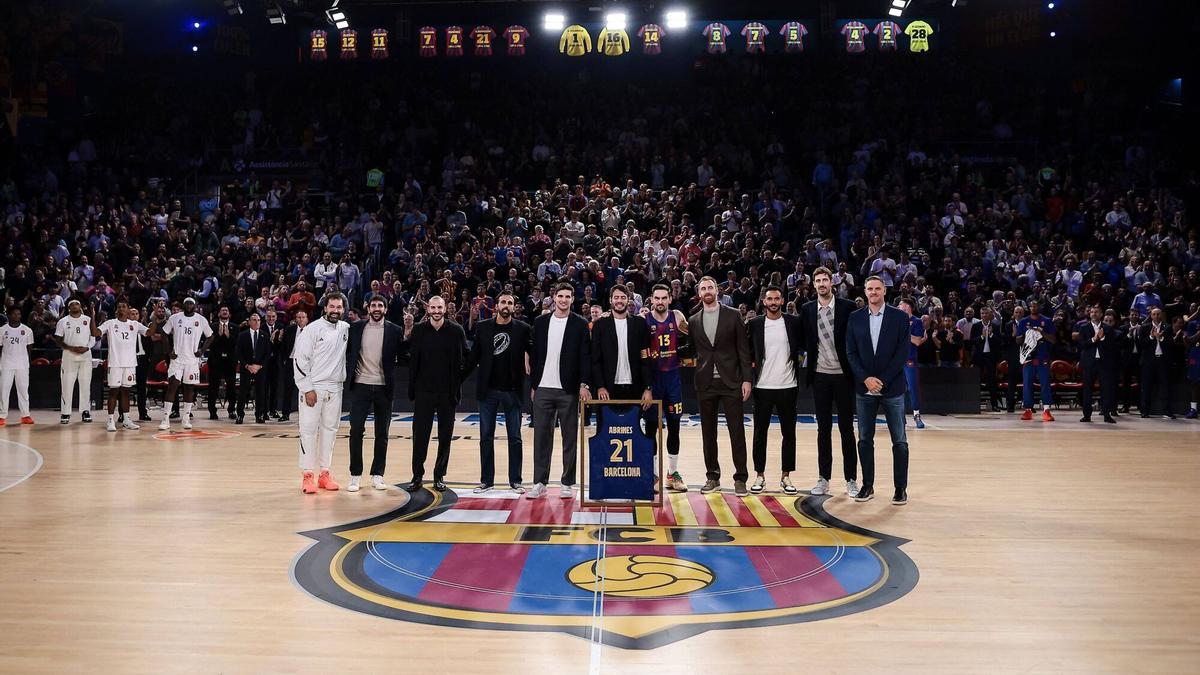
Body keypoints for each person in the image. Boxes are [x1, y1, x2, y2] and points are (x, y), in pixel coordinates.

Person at [845, 276, 911, 505]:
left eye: (877, 288)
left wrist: (880, 380)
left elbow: (902, 354)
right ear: (865, 291)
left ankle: (900, 488)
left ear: (884, 291)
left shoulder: (900, 317)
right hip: (864, 389)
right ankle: (867, 485)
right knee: (864, 439)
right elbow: (850, 353)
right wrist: (866, 379)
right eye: (869, 289)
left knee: (899, 441)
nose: (873, 292)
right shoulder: (855, 318)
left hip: (892, 388)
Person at [688, 275, 752, 496]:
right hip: (705, 383)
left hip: (731, 381)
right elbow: (690, 349)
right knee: (708, 433)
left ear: (717, 290)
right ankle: (712, 476)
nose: (707, 290)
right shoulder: (693, 320)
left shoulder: (733, 315)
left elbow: (744, 350)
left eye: (710, 287)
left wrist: (746, 379)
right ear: (699, 293)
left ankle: (741, 478)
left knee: (737, 432)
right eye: (703, 288)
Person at [798, 267, 859, 498]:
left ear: (832, 282)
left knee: (846, 430)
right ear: (813, 285)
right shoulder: (807, 309)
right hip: (820, 376)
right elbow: (804, 340)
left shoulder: (848, 307)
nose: (822, 284)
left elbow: (854, 338)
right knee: (823, 430)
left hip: (844, 376)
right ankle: (824, 478)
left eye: (825, 280)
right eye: (818, 280)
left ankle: (851, 480)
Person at [463, 290, 532, 493]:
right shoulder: (483, 328)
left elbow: (535, 355)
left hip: (513, 391)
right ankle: (486, 481)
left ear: (514, 307)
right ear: (497, 305)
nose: (506, 305)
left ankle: (516, 481)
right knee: (486, 437)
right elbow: (473, 357)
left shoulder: (523, 328)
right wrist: (456, 379)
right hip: (488, 391)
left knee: (515, 438)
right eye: (503, 302)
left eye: (510, 302)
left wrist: (536, 383)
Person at [529, 282, 592, 499]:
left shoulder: (580, 324)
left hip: (568, 389)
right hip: (543, 387)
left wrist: (584, 384)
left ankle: (567, 483)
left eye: (568, 296)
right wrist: (533, 385)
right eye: (560, 296)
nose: (563, 300)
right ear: (553, 297)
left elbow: (585, 357)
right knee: (541, 438)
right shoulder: (540, 322)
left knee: (569, 438)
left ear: (573, 299)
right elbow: (534, 354)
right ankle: (539, 482)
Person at [405, 295, 468, 492]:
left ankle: (439, 476)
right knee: (420, 436)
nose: (436, 311)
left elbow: (467, 357)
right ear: (428, 309)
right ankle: (417, 476)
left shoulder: (456, 330)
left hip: (447, 393)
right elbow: (407, 354)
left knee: (445, 437)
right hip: (424, 392)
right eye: (433, 307)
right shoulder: (419, 330)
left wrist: (458, 380)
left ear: (446, 309)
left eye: (439, 307)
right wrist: (406, 332)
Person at [747, 285, 803, 495]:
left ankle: (785, 476)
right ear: (764, 302)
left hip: (788, 386)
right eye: (769, 299)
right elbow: (746, 353)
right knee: (759, 434)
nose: (773, 302)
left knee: (789, 434)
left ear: (782, 301)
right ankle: (759, 475)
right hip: (762, 387)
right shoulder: (754, 324)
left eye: (776, 299)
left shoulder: (793, 322)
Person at [344, 296, 404, 492]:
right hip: (360, 386)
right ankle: (355, 475)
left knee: (382, 433)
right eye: (373, 305)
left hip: (383, 387)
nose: (376, 309)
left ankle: (377, 474)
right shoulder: (355, 328)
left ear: (385, 309)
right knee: (355, 431)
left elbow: (403, 355)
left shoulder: (395, 330)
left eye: (380, 306)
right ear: (368, 308)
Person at [293, 292, 350, 494]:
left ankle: (325, 473)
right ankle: (307, 475)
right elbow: (300, 361)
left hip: (335, 387)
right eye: (332, 307)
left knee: (330, 430)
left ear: (343, 309)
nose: (335, 311)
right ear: (325, 308)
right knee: (308, 430)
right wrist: (306, 388)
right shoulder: (312, 329)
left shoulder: (345, 328)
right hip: (313, 387)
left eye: (339, 307)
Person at [645, 284, 690, 492]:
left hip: (673, 379)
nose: (660, 302)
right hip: (653, 381)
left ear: (670, 299)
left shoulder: (677, 316)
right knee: (652, 428)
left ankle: (672, 474)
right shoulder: (643, 319)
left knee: (674, 427)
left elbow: (693, 338)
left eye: (664, 298)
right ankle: (653, 475)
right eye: (657, 298)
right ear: (651, 299)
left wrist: (682, 353)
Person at [590, 283, 654, 431]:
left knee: (633, 431)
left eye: (623, 297)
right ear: (611, 300)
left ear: (628, 300)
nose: (619, 301)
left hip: (634, 388)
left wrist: (648, 388)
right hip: (607, 389)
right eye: (616, 297)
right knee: (605, 431)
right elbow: (595, 359)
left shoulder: (639, 323)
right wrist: (600, 387)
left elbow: (645, 358)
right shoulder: (600, 325)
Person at [154, 297, 214, 431]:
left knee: (189, 389)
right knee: (172, 387)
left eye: (191, 303)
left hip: (192, 361)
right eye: (187, 303)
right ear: (183, 304)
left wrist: (202, 350)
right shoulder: (175, 318)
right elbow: (164, 333)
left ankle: (186, 418)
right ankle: (165, 419)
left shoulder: (201, 319)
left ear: (195, 305)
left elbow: (210, 336)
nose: (189, 305)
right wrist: (169, 351)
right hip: (177, 360)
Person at [95, 302, 148, 432]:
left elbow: (149, 332)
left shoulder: (134, 324)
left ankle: (126, 419)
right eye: (119, 307)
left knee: (126, 392)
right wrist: (92, 315)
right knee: (114, 392)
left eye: (124, 307)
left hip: (130, 364)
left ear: (128, 310)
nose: (121, 309)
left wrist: (152, 319)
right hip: (115, 363)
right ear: (116, 310)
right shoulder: (110, 323)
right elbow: (96, 332)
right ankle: (110, 420)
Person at [53, 299, 96, 424]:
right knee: (67, 385)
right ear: (68, 308)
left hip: (85, 356)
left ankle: (85, 411)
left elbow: (93, 338)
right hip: (69, 357)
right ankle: (65, 413)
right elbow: (58, 340)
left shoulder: (88, 320)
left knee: (85, 385)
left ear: (81, 306)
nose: (74, 306)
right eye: (71, 304)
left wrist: (87, 347)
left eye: (77, 303)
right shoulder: (63, 321)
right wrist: (71, 348)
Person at [1074, 306, 1118, 423]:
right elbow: (1082, 345)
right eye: (1092, 312)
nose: (1094, 314)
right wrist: (1093, 339)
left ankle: (1106, 415)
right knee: (1087, 390)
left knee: (1106, 389)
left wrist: (1103, 338)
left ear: (1101, 313)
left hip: (1104, 363)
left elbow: (1112, 347)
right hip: (1089, 363)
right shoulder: (1083, 328)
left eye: (1096, 312)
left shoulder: (1108, 328)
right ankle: (1087, 415)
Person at [1018, 300, 1056, 422]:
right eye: (1031, 306)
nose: (1033, 307)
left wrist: (1041, 332)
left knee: (1045, 384)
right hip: (1028, 356)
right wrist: (1027, 334)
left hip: (1043, 356)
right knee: (1027, 384)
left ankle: (1046, 410)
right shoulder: (1023, 321)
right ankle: (1028, 410)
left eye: (1035, 305)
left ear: (1039, 306)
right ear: (1029, 308)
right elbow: (1018, 341)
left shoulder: (1047, 320)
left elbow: (1053, 340)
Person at [0, 307, 35, 427]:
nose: (17, 316)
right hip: (6, 363)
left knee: (23, 390)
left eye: (19, 314)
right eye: (14, 314)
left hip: (22, 364)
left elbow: (29, 348)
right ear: (9, 315)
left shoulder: (27, 330)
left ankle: (25, 415)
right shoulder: (2, 330)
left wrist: (28, 362)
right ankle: (2, 416)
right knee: (4, 390)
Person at [235, 313, 272, 424]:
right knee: (243, 392)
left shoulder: (264, 335)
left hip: (260, 368)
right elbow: (238, 352)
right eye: (254, 320)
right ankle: (240, 415)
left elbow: (268, 353)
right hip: (247, 367)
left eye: (259, 320)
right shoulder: (243, 335)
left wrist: (259, 366)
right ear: (249, 322)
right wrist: (247, 365)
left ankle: (259, 415)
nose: (257, 322)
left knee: (261, 392)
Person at [1138, 307, 1175, 419]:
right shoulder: (1145, 327)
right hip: (1149, 361)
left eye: (1159, 314)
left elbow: (1170, 344)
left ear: (1162, 315)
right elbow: (1141, 344)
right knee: (1146, 386)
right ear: (1151, 315)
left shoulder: (1167, 327)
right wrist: (1151, 337)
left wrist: (1161, 338)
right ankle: (1145, 411)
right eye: (1154, 314)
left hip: (1162, 361)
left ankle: (1167, 411)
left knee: (1165, 386)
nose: (1157, 316)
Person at [897, 299, 927, 428]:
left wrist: (904, 333)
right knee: (898, 390)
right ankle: (900, 417)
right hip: (896, 361)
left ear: (907, 307)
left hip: (910, 360)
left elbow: (917, 341)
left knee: (913, 388)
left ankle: (917, 415)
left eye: (900, 304)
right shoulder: (895, 320)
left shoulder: (917, 321)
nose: (898, 306)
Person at [207, 305, 238, 420]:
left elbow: (236, 343)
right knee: (213, 386)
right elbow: (209, 343)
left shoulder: (235, 327)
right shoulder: (213, 326)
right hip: (215, 360)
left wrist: (228, 335)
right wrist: (219, 336)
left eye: (227, 310)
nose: (225, 312)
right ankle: (212, 411)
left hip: (230, 360)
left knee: (231, 386)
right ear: (219, 313)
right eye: (222, 310)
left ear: (229, 314)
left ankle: (232, 410)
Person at [970, 306, 1003, 412]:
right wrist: (982, 337)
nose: (984, 315)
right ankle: (974, 405)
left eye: (986, 313)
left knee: (992, 382)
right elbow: (972, 341)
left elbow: (999, 342)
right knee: (976, 381)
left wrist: (991, 334)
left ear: (990, 315)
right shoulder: (976, 326)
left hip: (991, 357)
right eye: (982, 313)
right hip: (979, 357)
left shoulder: (996, 326)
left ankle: (994, 405)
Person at [278, 310, 307, 422]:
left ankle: (306, 415)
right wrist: (284, 360)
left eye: (303, 317)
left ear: (307, 319)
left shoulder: (312, 331)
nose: (300, 319)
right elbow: (283, 346)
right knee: (288, 389)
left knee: (305, 389)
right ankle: (285, 414)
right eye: (298, 317)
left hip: (305, 364)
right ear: (296, 319)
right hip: (291, 362)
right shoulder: (290, 330)